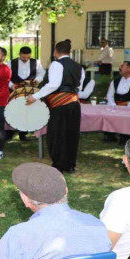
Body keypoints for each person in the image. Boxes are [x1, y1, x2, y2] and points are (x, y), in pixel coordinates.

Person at [26, 40, 85, 173]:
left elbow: (53, 84)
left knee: (57, 134)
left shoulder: (56, 64)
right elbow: (79, 87)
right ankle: (70, 165)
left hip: (60, 104)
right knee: (71, 134)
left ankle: (59, 164)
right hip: (74, 103)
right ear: (69, 52)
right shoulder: (78, 66)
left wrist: (35, 97)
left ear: (55, 52)